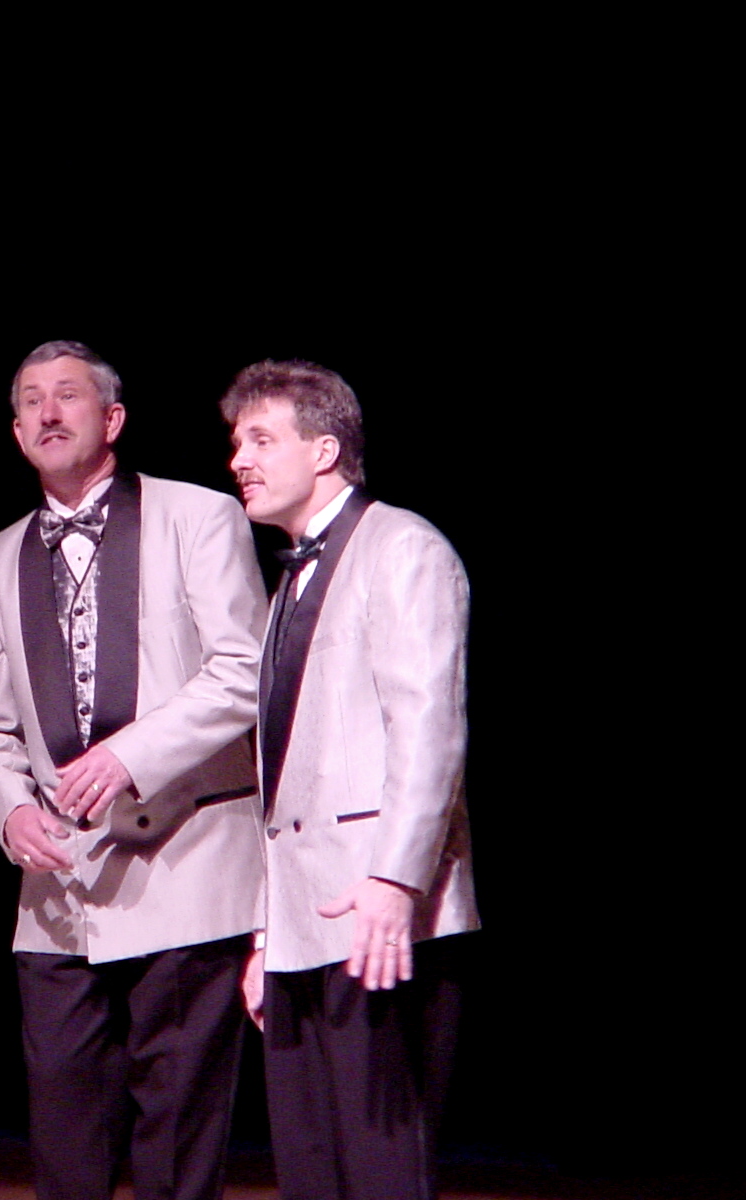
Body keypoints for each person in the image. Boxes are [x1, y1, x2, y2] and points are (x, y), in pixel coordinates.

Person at [0, 341, 267, 1199]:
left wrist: (130, 753)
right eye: (31, 401)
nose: (49, 412)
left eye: (68, 395)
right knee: (65, 1135)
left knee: (176, 1140)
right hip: (59, 886)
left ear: (113, 419)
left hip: (186, 862)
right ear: (16, 432)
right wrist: (10, 809)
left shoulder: (198, 516)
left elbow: (244, 669)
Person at [223, 359, 479, 1200]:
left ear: (324, 449)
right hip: (304, 923)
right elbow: (281, 775)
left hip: (379, 915)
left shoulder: (401, 547)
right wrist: (268, 934)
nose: (238, 460)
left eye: (260, 439)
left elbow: (429, 730)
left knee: (381, 1168)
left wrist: (395, 880)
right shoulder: (290, 578)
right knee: (310, 1170)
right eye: (237, 442)